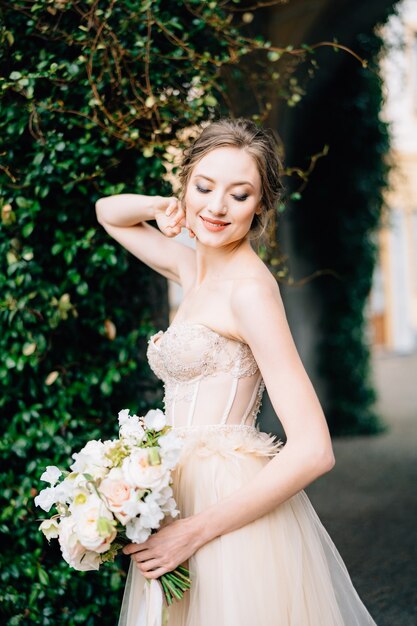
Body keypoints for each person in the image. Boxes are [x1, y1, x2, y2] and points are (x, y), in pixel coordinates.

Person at [95, 118, 377, 626]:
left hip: (225, 507)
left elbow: (315, 449)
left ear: (261, 206)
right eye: (204, 186)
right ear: (184, 184)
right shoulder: (191, 268)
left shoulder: (249, 291)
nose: (217, 207)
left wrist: (195, 530)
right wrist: (162, 208)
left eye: (240, 195)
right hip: (175, 492)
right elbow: (109, 214)